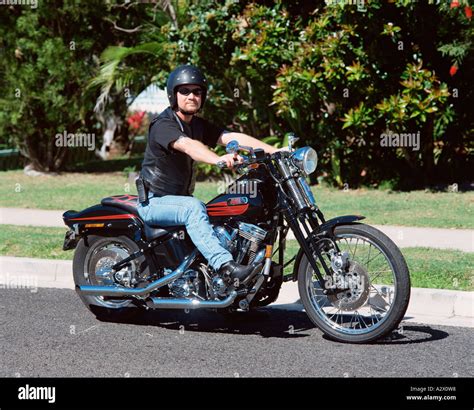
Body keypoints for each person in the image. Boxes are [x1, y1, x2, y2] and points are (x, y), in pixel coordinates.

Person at [138, 65, 280, 283]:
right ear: (173, 94)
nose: (192, 96)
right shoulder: (163, 125)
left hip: (178, 201)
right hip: (155, 202)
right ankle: (225, 267)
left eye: (197, 91)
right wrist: (218, 159)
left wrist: (276, 152)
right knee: (194, 208)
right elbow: (188, 146)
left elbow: (230, 137)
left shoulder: (196, 125)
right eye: (185, 91)